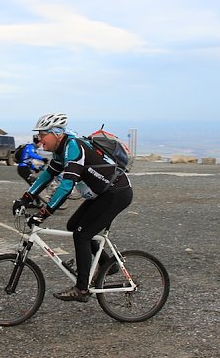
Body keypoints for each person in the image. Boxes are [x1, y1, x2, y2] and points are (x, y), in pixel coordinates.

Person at [12, 113, 133, 302]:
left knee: (82, 234)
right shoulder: (61, 150)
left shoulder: (74, 147)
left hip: (117, 193)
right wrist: (25, 199)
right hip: (103, 193)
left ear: (57, 133)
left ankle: (82, 289)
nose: (39, 139)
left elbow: (67, 186)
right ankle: (107, 264)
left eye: (43, 134)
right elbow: (47, 175)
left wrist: (43, 214)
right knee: (73, 225)